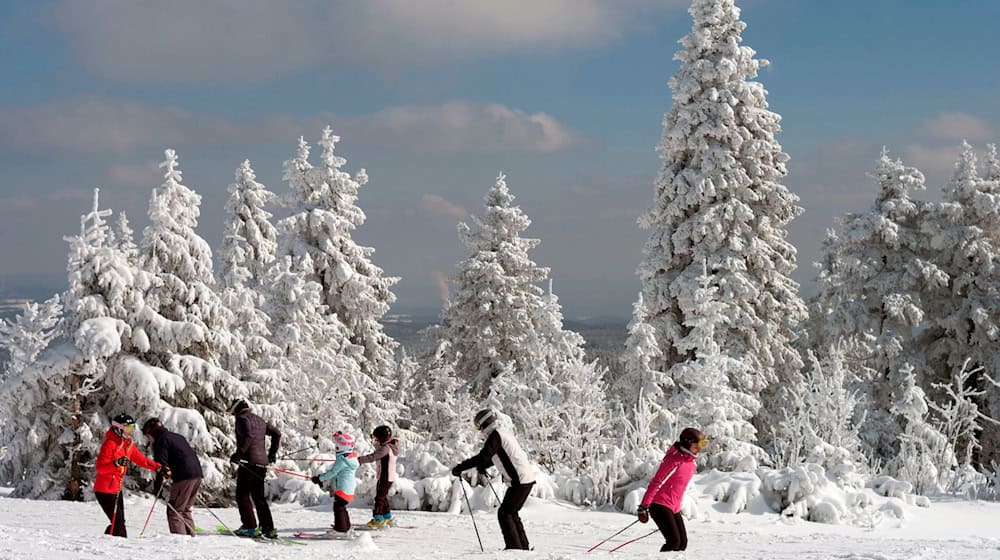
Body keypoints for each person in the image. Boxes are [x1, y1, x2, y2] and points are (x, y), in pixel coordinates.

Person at [452, 409, 536, 551]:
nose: (479, 430)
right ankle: (522, 547)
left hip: (519, 480)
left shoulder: (496, 436)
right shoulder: (501, 432)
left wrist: (460, 467)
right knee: (511, 513)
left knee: (505, 514)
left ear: (485, 423)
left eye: (478, 426)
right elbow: (497, 456)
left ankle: (514, 549)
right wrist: (482, 466)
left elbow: (483, 456)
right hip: (524, 479)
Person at [636, 427, 709, 552]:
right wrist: (644, 506)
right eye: (697, 445)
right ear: (687, 443)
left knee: (682, 544)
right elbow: (656, 482)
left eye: (702, 445)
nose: (699, 449)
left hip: (673, 507)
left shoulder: (690, 463)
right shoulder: (673, 460)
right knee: (674, 542)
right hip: (660, 505)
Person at [94, 413, 164, 537]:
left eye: (131, 429)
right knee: (118, 522)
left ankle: (111, 541)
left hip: (116, 488)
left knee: (119, 522)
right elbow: (100, 468)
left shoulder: (128, 444)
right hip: (104, 490)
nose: (129, 432)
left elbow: (142, 460)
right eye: (127, 429)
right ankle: (114, 544)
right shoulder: (109, 444)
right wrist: (116, 463)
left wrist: (158, 467)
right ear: (118, 428)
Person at [228, 399, 282, 538]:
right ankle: (268, 528)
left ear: (236, 410)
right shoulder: (259, 420)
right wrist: (271, 455)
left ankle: (249, 527)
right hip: (262, 464)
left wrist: (238, 454)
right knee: (259, 497)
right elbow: (277, 434)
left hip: (248, 462)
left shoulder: (241, 419)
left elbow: (248, 436)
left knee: (242, 494)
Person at [141, 417, 204, 536]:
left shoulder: (161, 440)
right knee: (184, 509)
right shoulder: (176, 436)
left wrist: (158, 486)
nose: (148, 439)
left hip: (184, 477)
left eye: (147, 435)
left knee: (174, 511)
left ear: (151, 432)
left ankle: (180, 541)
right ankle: (191, 537)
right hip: (197, 474)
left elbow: (161, 465)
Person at [310, 431, 360, 536]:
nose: (335, 447)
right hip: (349, 488)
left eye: (336, 445)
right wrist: (339, 436)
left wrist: (319, 478)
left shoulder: (342, 460)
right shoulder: (351, 457)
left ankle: (340, 529)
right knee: (341, 507)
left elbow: (333, 472)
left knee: (338, 507)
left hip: (342, 488)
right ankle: (345, 526)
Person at [357, 424, 399, 528]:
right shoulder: (391, 447)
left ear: (382, 437)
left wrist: (359, 460)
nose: (375, 440)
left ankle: (378, 518)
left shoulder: (385, 448)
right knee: (383, 497)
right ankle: (387, 517)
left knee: (379, 498)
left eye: (376, 438)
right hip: (389, 477)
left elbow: (374, 456)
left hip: (385, 476)